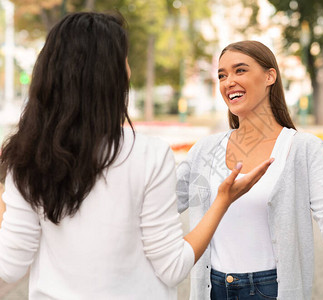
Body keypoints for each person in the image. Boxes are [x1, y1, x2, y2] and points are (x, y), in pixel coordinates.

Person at [0, 13, 272, 299]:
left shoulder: (26, 157)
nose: (128, 71)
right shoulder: (148, 154)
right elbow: (172, 267)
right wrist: (223, 200)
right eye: (124, 60)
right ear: (110, 75)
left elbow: (9, 267)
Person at [176, 40, 323, 300]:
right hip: (213, 289)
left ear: (269, 76)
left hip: (271, 291)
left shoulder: (303, 149)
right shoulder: (204, 151)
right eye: (222, 75)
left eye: (240, 71)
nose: (228, 82)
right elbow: (161, 203)